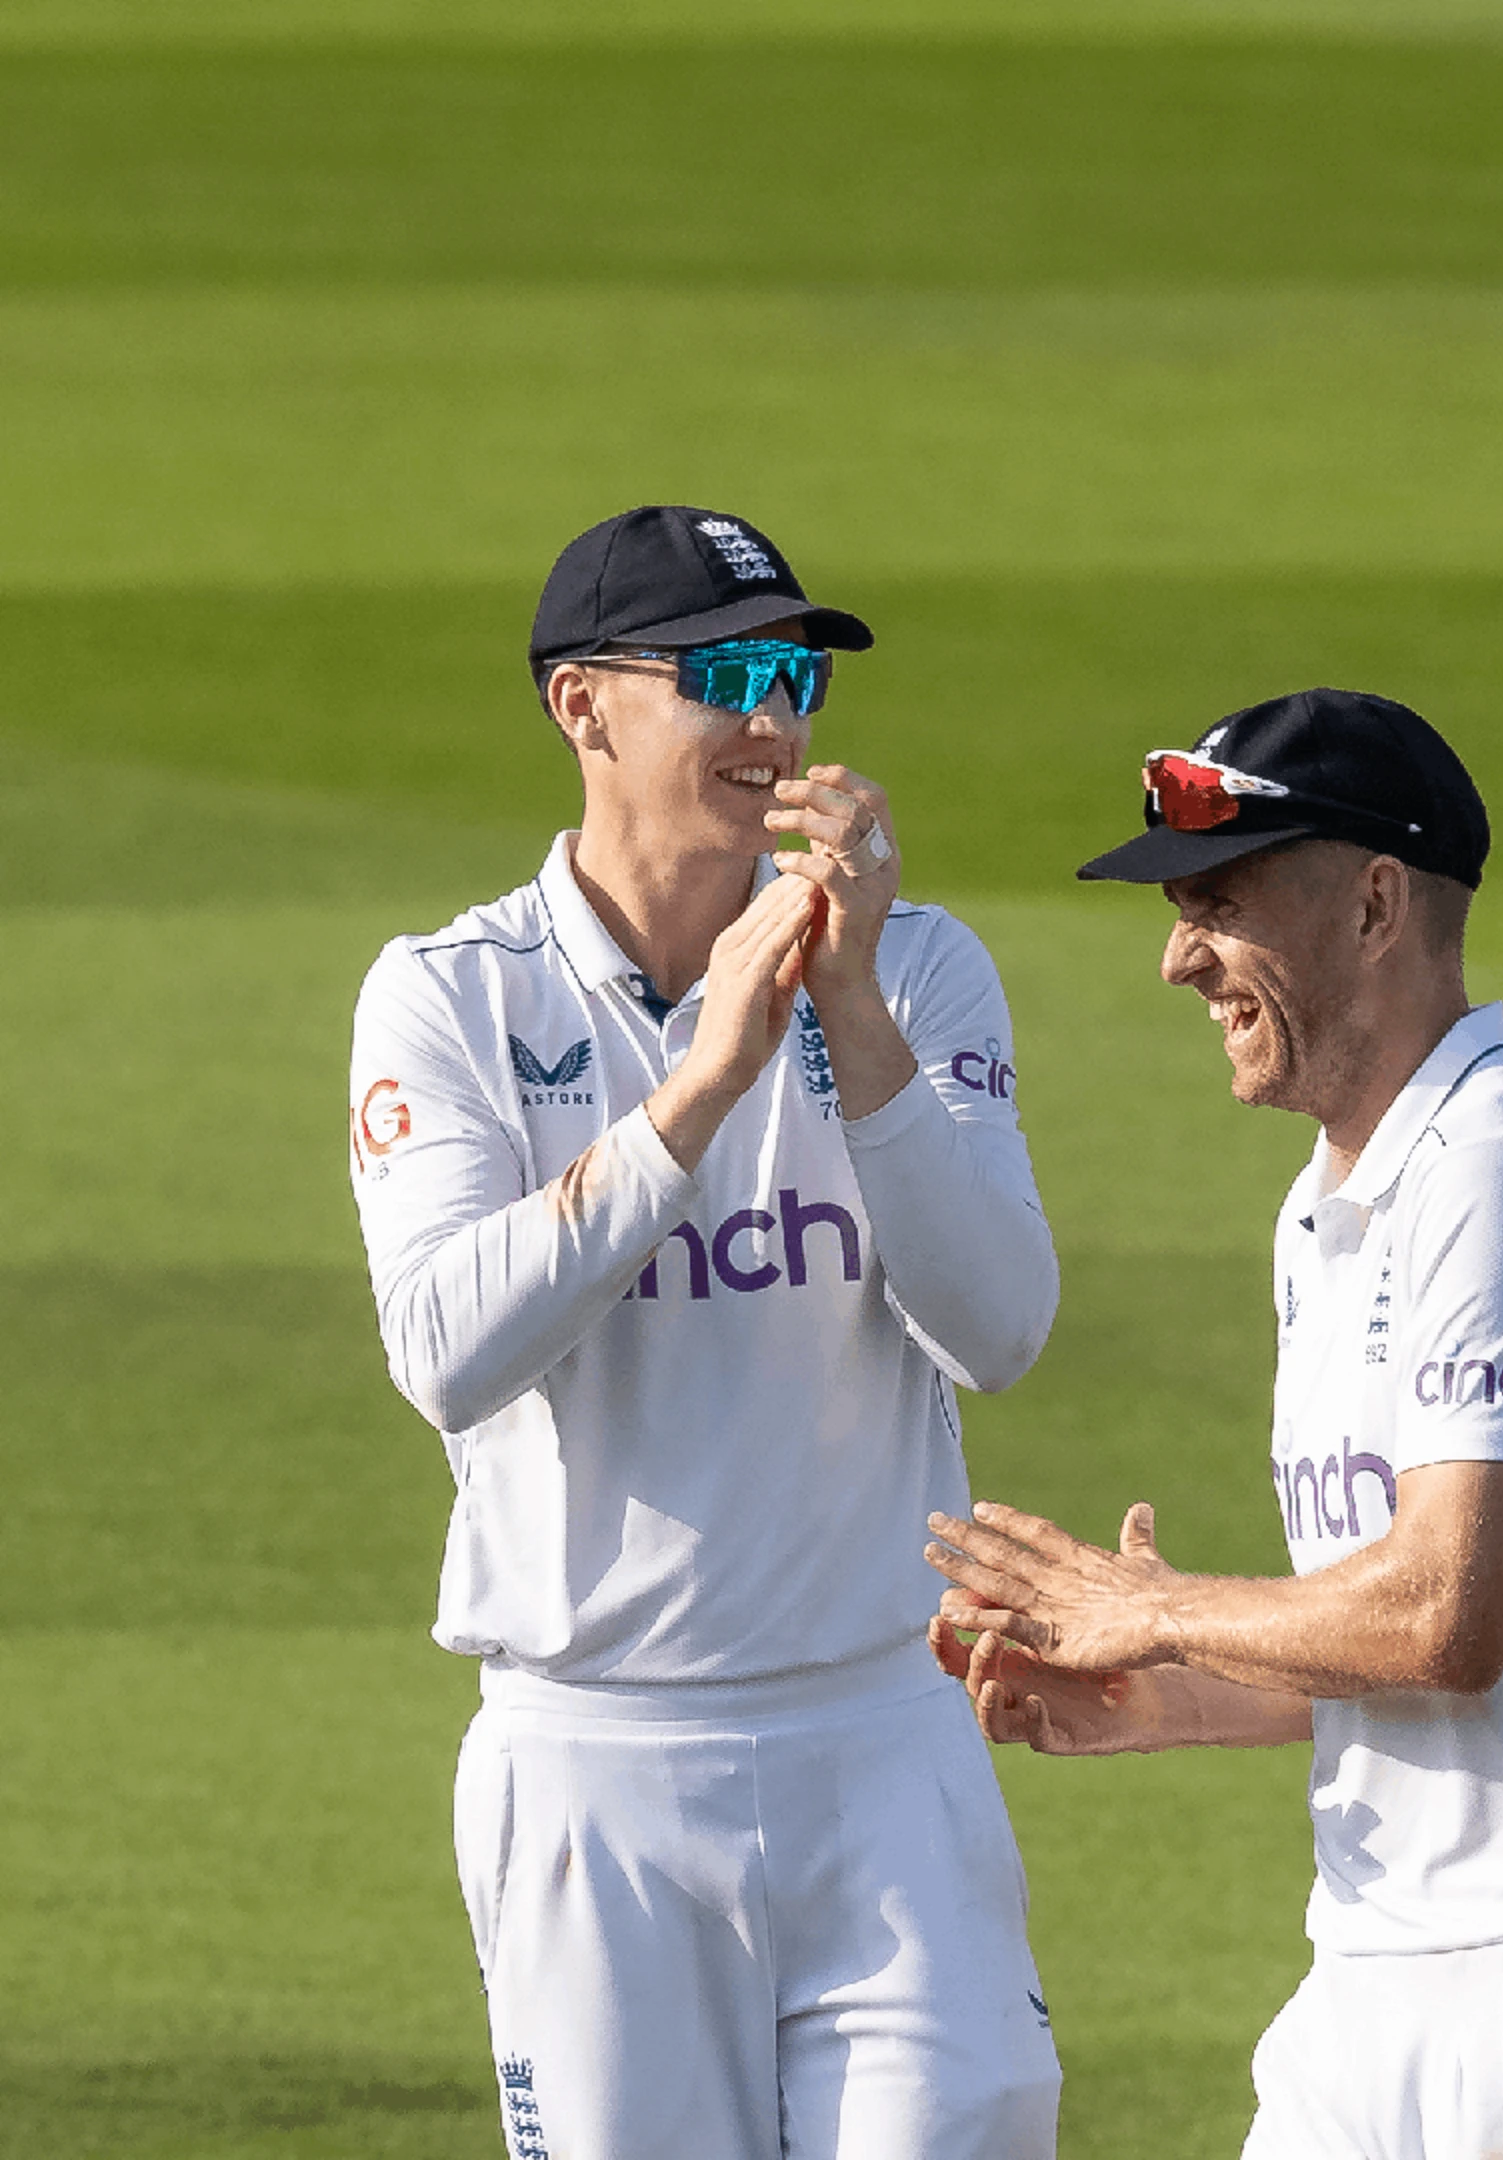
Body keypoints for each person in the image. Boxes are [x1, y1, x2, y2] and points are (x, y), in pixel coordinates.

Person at [920, 688, 1503, 2160]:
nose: (1179, 958)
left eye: (1219, 901)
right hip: (1380, 1983)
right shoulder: (1331, 1210)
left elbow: (1452, 1617)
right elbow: (1394, 1642)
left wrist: (1164, 1610)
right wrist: (1165, 1691)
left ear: (1377, 902)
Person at [344, 504, 1065, 2158]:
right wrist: (702, 1085)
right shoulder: (453, 998)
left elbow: (1000, 1326)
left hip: (883, 1744)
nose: (774, 722)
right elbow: (446, 1349)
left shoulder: (921, 971)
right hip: (594, 1763)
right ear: (579, 706)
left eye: (798, 677)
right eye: (726, 675)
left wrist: (854, 1012)